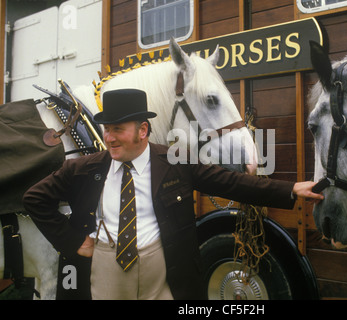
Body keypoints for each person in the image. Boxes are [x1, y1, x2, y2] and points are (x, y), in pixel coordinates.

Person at [23, 88, 324, 300]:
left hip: (165, 277)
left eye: (117, 129)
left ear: (142, 130)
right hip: (105, 275)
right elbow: (35, 199)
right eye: (106, 130)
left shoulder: (176, 161)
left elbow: (229, 183)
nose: (109, 138)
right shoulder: (84, 169)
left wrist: (291, 190)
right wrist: (74, 241)